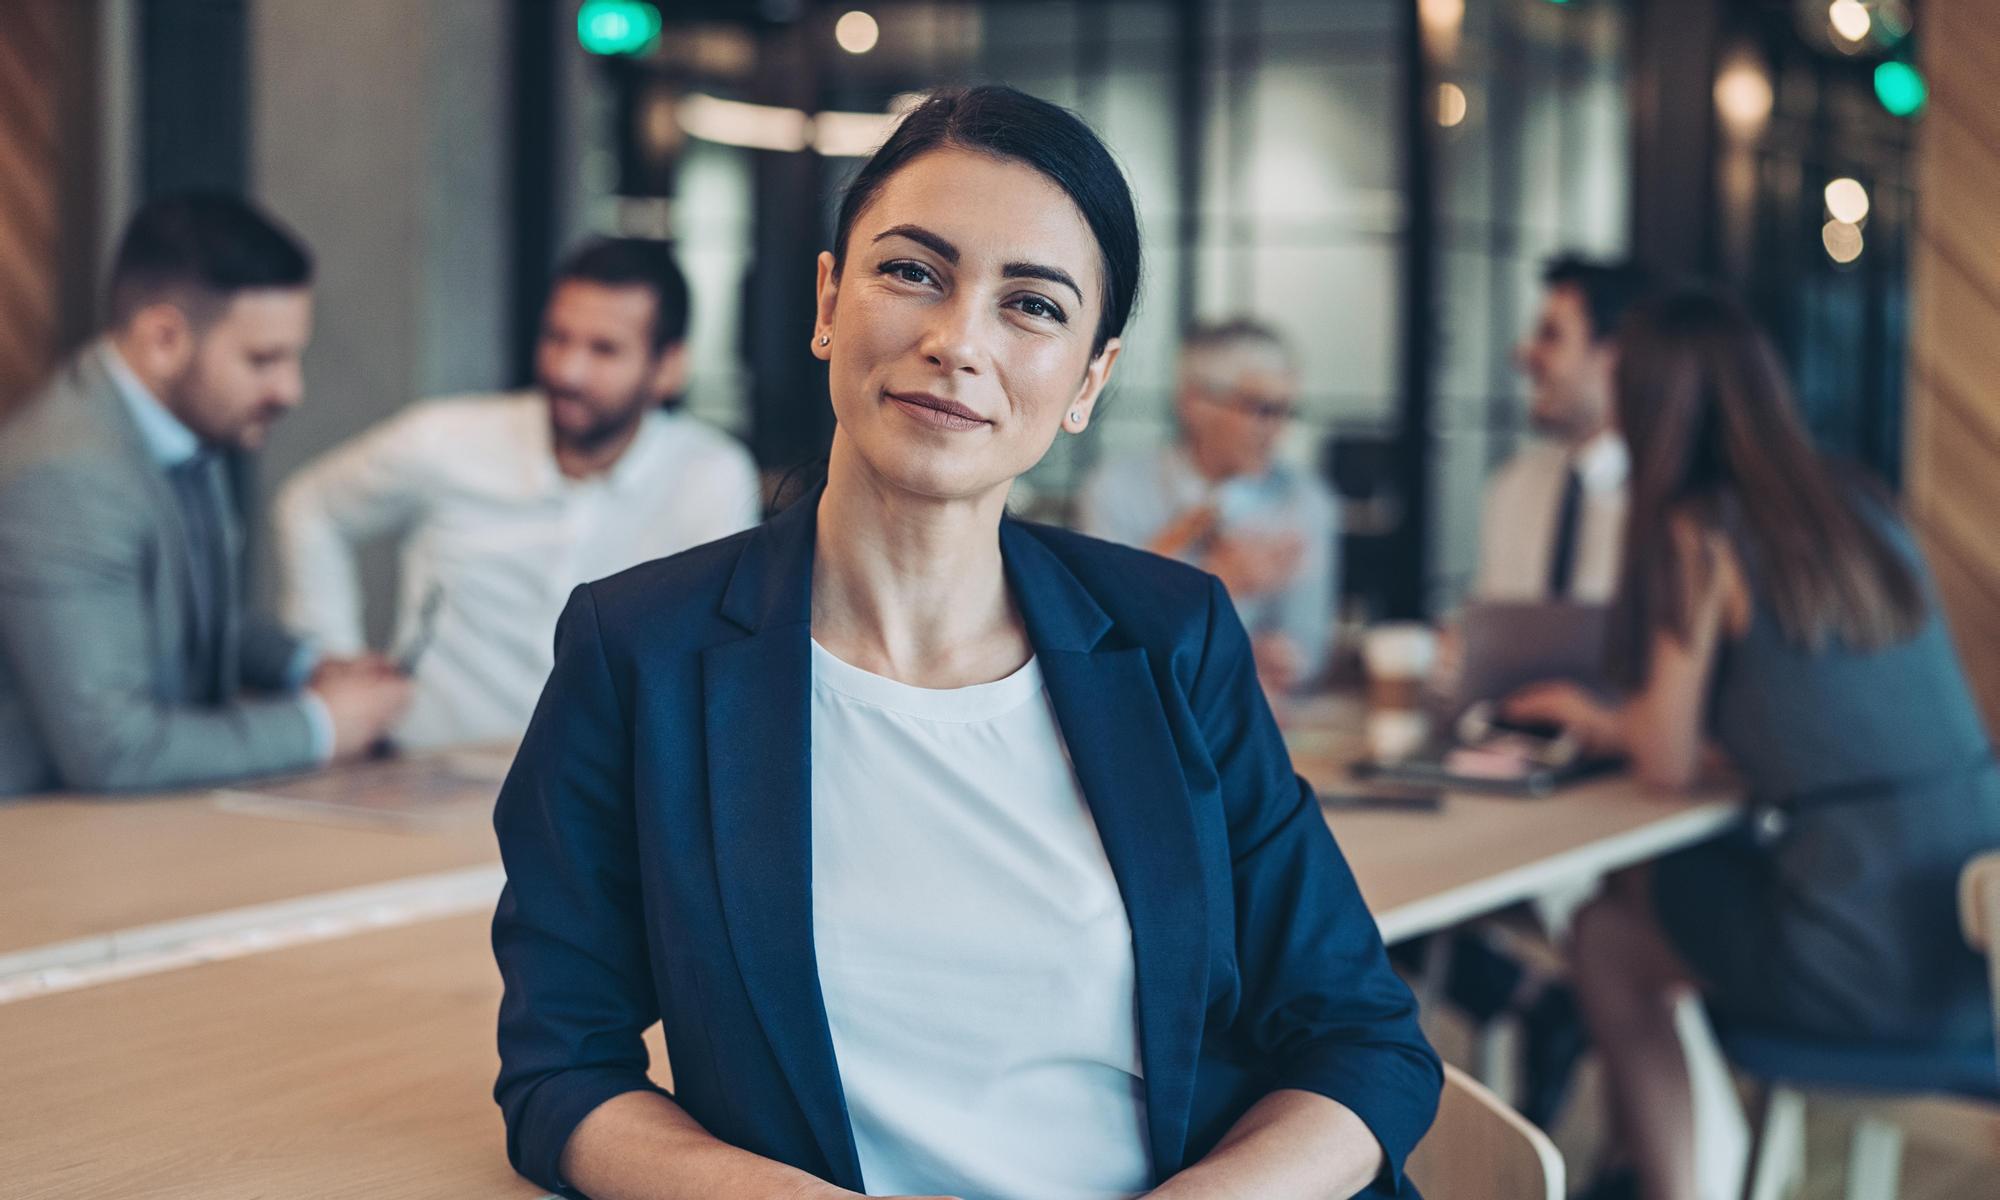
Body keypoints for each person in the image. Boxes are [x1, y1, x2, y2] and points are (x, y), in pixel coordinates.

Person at [491, 86, 1439, 1200]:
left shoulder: (1170, 636)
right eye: (911, 272)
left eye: (1032, 306)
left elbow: (1361, 1036)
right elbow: (561, 1071)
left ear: (1089, 380)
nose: (957, 342)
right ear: (828, 301)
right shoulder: (637, 651)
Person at [1507, 290, 2000, 1200]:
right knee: (1653, 889)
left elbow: (1664, 758)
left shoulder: (1701, 532)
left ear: (1656, 406)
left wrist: (1591, 715)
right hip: (1974, 953)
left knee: (1610, 935)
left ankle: (1666, 1184)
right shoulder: (1859, 504)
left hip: (1861, 956)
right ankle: (1635, 1165)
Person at [275, 238, 761, 748]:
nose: (567, 370)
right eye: (557, 338)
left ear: (668, 367)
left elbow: (719, 651)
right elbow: (311, 506)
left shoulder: (710, 475)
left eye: (604, 349)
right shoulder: (443, 440)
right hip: (421, 774)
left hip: (599, 796)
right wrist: (331, 660)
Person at [0, 193, 410, 797]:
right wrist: (323, 725)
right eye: (263, 359)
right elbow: (113, 751)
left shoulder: (185, 419)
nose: (290, 390)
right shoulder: (64, 476)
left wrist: (305, 668)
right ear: (164, 339)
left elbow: (174, 619)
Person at [1078, 321, 1338, 694]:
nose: (1278, 430)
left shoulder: (1306, 501)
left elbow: (1309, 645)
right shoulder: (1117, 490)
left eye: (1286, 411)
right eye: (1260, 408)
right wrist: (1219, 583)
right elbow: (1104, 637)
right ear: (1194, 403)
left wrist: (1288, 661)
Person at [1477, 255, 1652, 603]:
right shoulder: (1511, 489)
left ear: (1611, 357)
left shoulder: (1667, 505)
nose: (1524, 354)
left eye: (1551, 336)